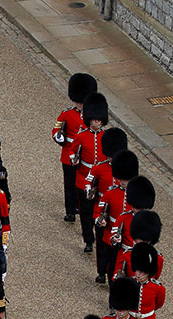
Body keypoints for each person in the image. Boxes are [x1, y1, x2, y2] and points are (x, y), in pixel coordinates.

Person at [53, 73, 97, 222]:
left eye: (81, 101)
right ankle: (70, 210)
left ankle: (81, 206)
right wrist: (59, 137)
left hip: (85, 156)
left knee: (84, 182)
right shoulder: (67, 114)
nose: (79, 104)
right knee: (69, 184)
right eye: (78, 101)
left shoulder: (93, 116)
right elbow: (56, 129)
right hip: (68, 154)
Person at [69, 92, 109, 253]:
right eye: (94, 119)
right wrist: (74, 159)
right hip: (83, 177)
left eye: (99, 119)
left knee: (99, 210)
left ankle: (100, 238)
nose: (96, 121)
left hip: (102, 181)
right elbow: (72, 151)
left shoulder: (106, 137)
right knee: (85, 212)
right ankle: (88, 240)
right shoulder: (81, 136)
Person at [94, 148, 138, 283]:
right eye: (121, 179)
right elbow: (99, 210)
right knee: (110, 262)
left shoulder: (137, 195)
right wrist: (100, 220)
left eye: (126, 179)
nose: (123, 182)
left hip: (129, 237)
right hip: (110, 230)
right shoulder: (110, 193)